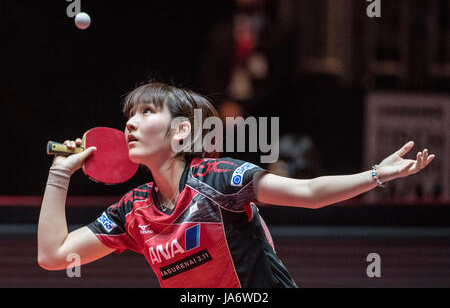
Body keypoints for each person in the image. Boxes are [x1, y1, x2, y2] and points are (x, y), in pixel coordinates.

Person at [38, 82, 435, 288]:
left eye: (146, 112)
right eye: (129, 115)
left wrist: (378, 174)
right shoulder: (133, 210)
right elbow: (53, 255)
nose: (130, 122)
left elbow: (309, 195)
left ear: (180, 133)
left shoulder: (219, 178)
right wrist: (60, 174)